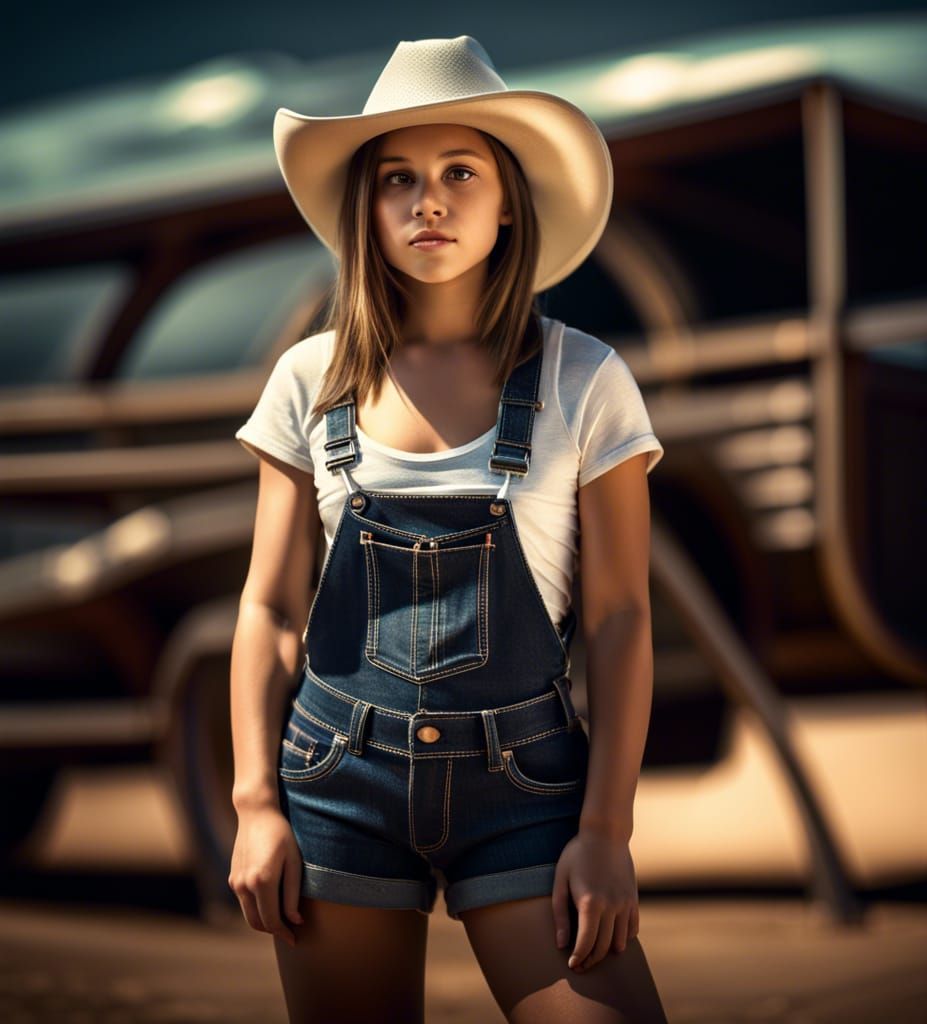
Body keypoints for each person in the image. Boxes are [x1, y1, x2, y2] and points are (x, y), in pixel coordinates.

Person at [228, 34, 669, 1023]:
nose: (427, 200)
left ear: (508, 198)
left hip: (528, 788)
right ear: (367, 209)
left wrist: (605, 827)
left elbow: (620, 618)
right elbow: (266, 605)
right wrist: (256, 803)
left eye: (458, 171)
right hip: (337, 780)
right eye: (398, 179)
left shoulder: (583, 378)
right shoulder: (310, 377)